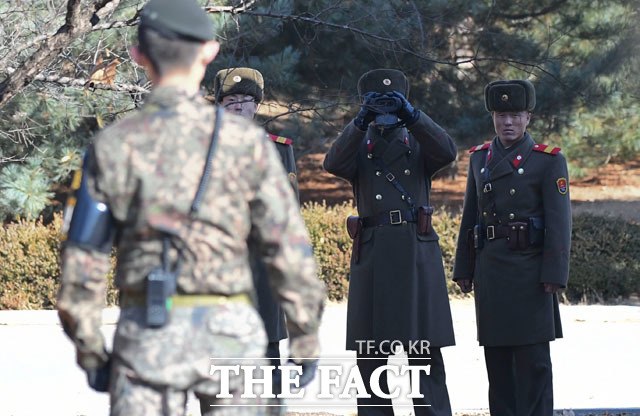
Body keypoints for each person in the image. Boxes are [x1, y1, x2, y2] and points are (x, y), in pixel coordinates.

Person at [56, 0, 325, 415]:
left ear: (138, 55)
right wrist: (305, 338)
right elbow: (287, 249)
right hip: (231, 335)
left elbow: (82, 259)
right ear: (209, 51)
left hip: (147, 333)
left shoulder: (111, 147)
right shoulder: (248, 145)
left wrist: (91, 350)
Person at [323, 68, 457, 416]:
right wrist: (359, 121)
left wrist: (412, 115)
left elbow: (447, 151)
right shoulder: (360, 144)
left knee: (424, 359)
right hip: (374, 257)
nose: (385, 111)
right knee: (370, 361)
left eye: (390, 103)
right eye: (376, 103)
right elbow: (332, 163)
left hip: (414, 254)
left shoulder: (417, 143)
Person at [452, 79, 571, 416]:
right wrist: (464, 267)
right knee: (498, 363)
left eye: (515, 115)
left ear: (528, 118)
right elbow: (470, 215)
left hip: (531, 274)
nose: (507, 122)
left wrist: (555, 274)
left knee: (534, 364)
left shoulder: (547, 161)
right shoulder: (479, 159)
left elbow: (560, 223)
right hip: (491, 272)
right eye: (501, 114)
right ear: (493, 117)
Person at [212, 67, 298, 388]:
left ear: (256, 106)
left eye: (245, 100)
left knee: (267, 349)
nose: (238, 107)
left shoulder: (279, 149)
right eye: (230, 100)